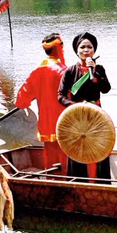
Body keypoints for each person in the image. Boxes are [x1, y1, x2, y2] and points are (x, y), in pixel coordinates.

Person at [58, 32, 112, 180]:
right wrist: (75, 106)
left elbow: (106, 89)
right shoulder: (70, 71)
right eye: (82, 47)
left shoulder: (99, 69)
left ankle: (101, 183)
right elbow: (60, 96)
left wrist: (94, 72)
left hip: (96, 115)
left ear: (94, 50)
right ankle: (78, 182)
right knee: (78, 148)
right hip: (78, 116)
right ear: (76, 50)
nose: (86, 50)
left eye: (89, 47)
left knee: (99, 146)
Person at [15, 33, 68, 173]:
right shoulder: (63, 71)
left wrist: (31, 98)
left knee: (50, 155)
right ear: (59, 48)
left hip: (45, 123)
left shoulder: (36, 71)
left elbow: (21, 100)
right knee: (65, 155)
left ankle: (51, 180)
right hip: (64, 121)